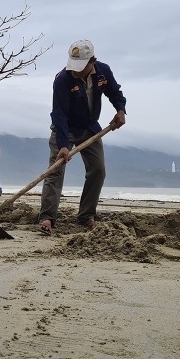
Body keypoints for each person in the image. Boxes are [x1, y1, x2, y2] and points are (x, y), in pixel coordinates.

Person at [38, 39, 127, 234]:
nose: (75, 71)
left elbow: (115, 92)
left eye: (81, 67)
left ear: (92, 61)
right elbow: (59, 114)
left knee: (98, 170)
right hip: (65, 129)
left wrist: (121, 110)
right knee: (55, 171)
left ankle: (86, 215)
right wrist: (63, 145)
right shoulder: (62, 79)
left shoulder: (103, 72)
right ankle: (47, 217)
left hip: (89, 128)